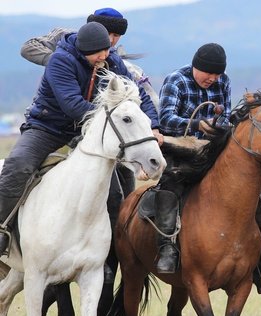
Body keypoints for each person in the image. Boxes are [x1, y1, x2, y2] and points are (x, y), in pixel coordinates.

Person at [0, 22, 162, 258]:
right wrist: (111, 118)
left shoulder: (111, 61)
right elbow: (73, 105)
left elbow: (135, 95)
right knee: (18, 165)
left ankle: (117, 247)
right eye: (99, 52)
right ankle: (2, 227)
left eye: (107, 50)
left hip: (88, 131)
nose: (105, 56)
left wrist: (153, 124)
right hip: (48, 128)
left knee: (116, 190)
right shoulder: (60, 62)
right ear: (84, 50)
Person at [156, 42, 261, 273]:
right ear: (195, 67)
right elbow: (166, 120)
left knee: (260, 159)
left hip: (212, 147)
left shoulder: (223, 81)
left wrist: (220, 127)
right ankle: (166, 248)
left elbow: (225, 118)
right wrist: (198, 124)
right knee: (170, 185)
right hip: (180, 147)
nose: (213, 78)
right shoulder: (175, 80)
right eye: (209, 73)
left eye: (217, 74)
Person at [20, 7, 128, 66]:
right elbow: (28, 48)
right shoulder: (65, 36)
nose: (110, 40)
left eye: (116, 35)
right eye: (106, 32)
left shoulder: (115, 57)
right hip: (53, 104)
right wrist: (60, 63)